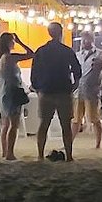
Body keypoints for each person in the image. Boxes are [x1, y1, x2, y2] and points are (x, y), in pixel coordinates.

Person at [30, 22, 81, 161]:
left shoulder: (41, 51)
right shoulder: (66, 50)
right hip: (63, 90)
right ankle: (69, 156)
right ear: (61, 33)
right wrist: (74, 85)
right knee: (66, 125)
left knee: (43, 124)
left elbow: (34, 73)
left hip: (46, 91)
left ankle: (40, 155)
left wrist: (38, 88)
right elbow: (77, 70)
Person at [0, 32, 34, 161]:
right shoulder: (10, 57)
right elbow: (31, 54)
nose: (13, 43)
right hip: (12, 91)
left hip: (3, 91)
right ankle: (10, 153)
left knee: (5, 124)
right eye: (12, 41)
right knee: (14, 124)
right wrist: (21, 42)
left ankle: (4, 151)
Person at [73, 31, 102, 149]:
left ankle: (98, 143)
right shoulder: (77, 55)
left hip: (92, 90)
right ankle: (70, 142)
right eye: (82, 40)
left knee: (94, 118)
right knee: (76, 118)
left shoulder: (99, 54)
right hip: (79, 89)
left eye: (86, 40)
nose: (84, 42)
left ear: (92, 40)